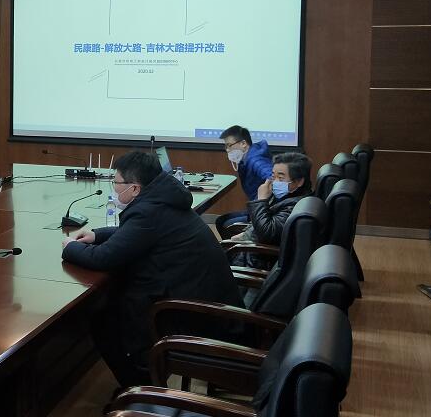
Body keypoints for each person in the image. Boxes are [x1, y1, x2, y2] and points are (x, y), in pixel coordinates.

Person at [61, 151, 243, 386]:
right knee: (117, 298)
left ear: (135, 188)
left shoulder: (148, 211)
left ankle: (141, 388)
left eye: (116, 182)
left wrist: (70, 248)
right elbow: (141, 234)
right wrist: (97, 235)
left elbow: (103, 258)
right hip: (210, 306)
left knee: (104, 321)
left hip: (197, 319)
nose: (114, 188)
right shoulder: (164, 198)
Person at [230, 152, 313, 268]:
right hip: (252, 251)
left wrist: (261, 200)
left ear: (299, 182)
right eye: (273, 177)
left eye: (281, 178)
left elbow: (267, 233)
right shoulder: (286, 196)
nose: (275, 182)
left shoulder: (296, 206)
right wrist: (246, 234)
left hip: (258, 261)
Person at [215, 125, 274, 238]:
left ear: (243, 143)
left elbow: (272, 177)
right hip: (258, 208)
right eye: (225, 146)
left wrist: (262, 201)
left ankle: (236, 248)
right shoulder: (249, 155)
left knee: (224, 224)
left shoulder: (255, 160)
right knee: (221, 221)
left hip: (263, 211)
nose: (227, 150)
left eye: (229, 145)